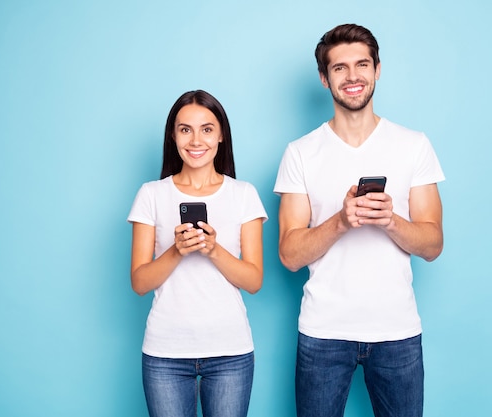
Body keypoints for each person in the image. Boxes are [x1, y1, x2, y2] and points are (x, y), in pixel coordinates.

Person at [274, 24, 445, 417]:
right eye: (340, 68)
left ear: (378, 69)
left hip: (397, 332)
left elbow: (433, 245)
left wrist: (390, 221)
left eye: (362, 65)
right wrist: (340, 221)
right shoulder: (300, 153)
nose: (353, 77)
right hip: (323, 334)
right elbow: (289, 255)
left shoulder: (413, 145)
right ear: (324, 78)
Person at [128, 90, 267, 417]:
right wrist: (177, 252)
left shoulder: (243, 195)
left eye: (206, 129)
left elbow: (254, 280)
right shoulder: (151, 195)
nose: (195, 140)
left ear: (221, 136)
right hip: (165, 354)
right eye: (184, 129)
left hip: (231, 352)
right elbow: (139, 282)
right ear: (173, 136)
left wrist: (213, 249)